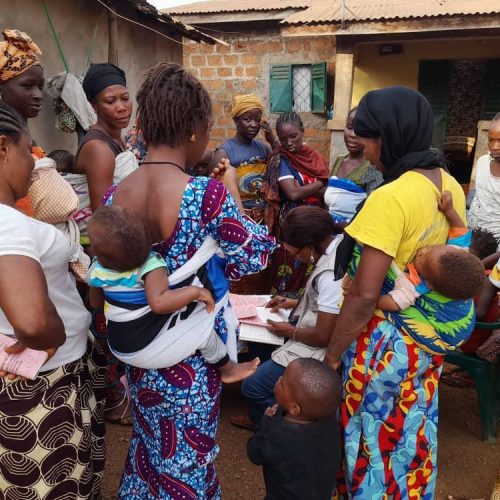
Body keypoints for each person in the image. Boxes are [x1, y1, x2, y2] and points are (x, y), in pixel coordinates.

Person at [103, 63, 275, 498]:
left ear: (145, 125)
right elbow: (250, 255)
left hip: (139, 353)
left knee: (148, 449)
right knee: (186, 463)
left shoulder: (116, 192)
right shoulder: (205, 192)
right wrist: (231, 188)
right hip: (190, 359)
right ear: (197, 130)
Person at [324, 86, 476, 499]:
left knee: (368, 436)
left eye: (369, 140)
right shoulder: (448, 184)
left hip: (381, 346)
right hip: (424, 345)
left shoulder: (389, 198)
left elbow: (364, 296)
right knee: (410, 427)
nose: (368, 151)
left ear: (388, 136)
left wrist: (332, 357)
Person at [0, 101, 106, 497]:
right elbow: (31, 322)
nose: (34, 163)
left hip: (32, 379)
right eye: (30, 151)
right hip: (42, 385)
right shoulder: (7, 223)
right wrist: (56, 332)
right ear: (3, 148)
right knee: (56, 484)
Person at [88, 205, 260, 383]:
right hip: (145, 348)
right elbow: (160, 303)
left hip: (118, 344)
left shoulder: (96, 269)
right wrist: (195, 291)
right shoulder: (151, 266)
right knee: (203, 332)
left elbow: (95, 303)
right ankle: (228, 369)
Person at [232, 206, 343, 429]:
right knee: (259, 345)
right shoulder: (336, 246)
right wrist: (291, 302)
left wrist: (288, 331)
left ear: (310, 248)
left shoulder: (330, 277)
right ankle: (261, 414)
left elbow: (323, 336)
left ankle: (281, 427)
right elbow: (324, 306)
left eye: (294, 252)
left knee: (250, 387)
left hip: (315, 347)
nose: (294, 258)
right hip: (305, 330)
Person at [71, 62, 135, 425]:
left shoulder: (116, 139)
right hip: (100, 249)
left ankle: (111, 394)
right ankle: (108, 401)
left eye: (125, 98)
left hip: (115, 243)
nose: (121, 106)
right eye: (111, 101)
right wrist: (108, 271)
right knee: (104, 328)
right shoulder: (99, 148)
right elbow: (101, 216)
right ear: (95, 105)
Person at [247, 358, 341, 500]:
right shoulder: (330, 422)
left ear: (294, 408)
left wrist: (265, 421)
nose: (279, 379)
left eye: (283, 382)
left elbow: (254, 453)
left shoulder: (276, 435)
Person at [376, 190, 484, 312]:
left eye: (422, 262)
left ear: (430, 284)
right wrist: (449, 211)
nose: (422, 252)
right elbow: (460, 229)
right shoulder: (457, 251)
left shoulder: (416, 284)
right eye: (432, 248)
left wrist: (371, 300)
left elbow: (394, 303)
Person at [263, 112, 330, 296]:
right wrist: (321, 183)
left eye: (294, 136)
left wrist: (309, 188)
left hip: (315, 227)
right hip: (293, 225)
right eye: (284, 139)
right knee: (290, 268)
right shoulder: (282, 159)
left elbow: (327, 193)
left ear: (302, 131)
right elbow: (293, 193)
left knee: (311, 271)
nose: (289, 143)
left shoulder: (313, 157)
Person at [0, 29, 44, 216]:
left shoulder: (29, 143)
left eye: (40, 87)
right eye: (27, 86)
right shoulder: (7, 148)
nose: (38, 95)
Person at [211, 94, 271, 222]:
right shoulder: (224, 152)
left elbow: (278, 173)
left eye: (257, 120)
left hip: (265, 219)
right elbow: (216, 193)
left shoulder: (264, 149)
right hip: (238, 219)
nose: (254, 124)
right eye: (247, 119)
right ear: (236, 120)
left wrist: (273, 140)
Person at [468, 113, 500, 243]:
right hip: (473, 234)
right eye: (491, 140)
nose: (494, 146)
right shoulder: (482, 162)